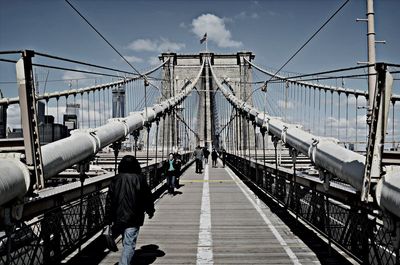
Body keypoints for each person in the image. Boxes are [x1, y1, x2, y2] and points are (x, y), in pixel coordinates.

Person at [105, 155, 155, 265]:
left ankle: (126, 260)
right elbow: (147, 197)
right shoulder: (140, 179)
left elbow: (109, 201)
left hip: (118, 217)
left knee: (126, 241)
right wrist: (150, 210)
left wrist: (107, 220)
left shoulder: (116, 179)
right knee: (129, 244)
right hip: (134, 216)